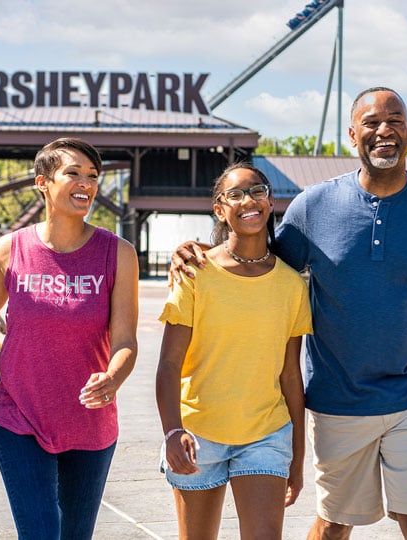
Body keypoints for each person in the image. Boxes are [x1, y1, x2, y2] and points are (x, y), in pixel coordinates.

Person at [171, 87, 407, 540]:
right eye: (372, 123)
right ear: (352, 135)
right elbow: (258, 262)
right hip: (339, 399)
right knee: (334, 525)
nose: (385, 131)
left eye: (395, 120)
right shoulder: (312, 207)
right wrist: (200, 250)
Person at [0, 137, 139, 539]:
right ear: (43, 182)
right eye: (74, 173)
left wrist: (114, 378)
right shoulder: (9, 250)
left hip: (90, 423)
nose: (86, 183)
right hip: (20, 417)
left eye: (93, 176)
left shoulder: (118, 253)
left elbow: (125, 340)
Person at [156, 163, 310, 540]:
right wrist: (173, 431)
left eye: (257, 191)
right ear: (219, 210)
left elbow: (291, 376)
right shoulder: (195, 273)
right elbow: (169, 364)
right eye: (235, 195)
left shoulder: (291, 285)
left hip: (266, 434)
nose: (249, 201)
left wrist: (298, 457)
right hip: (199, 432)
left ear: (271, 201)